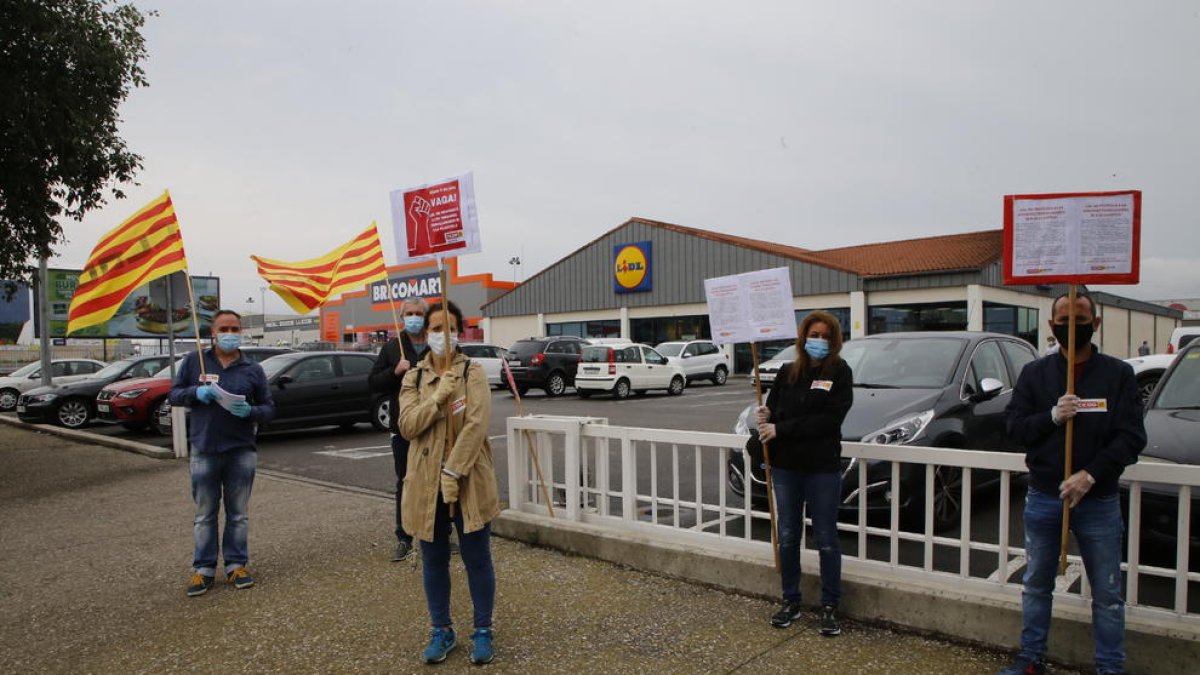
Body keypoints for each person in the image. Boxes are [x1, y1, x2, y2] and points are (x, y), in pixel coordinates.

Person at [1001, 292, 1146, 675]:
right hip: (1045, 495)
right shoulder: (1036, 374)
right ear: (1051, 327)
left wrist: (1090, 474)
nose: (1071, 325)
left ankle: (1110, 667)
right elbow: (1015, 429)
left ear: (1095, 324)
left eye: (1080, 317)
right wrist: (1051, 417)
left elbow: (1131, 437)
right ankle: (1032, 658)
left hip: (1097, 499)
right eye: (1063, 318)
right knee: (1036, 585)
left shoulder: (1118, 375)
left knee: (1108, 594)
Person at [399, 300, 500, 665]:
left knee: (477, 557)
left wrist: (454, 471)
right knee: (434, 559)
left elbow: (476, 424)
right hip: (425, 483)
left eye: (450, 328)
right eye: (436, 328)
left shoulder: (472, 371)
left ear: (460, 331)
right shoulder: (414, 377)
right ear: (426, 334)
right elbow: (408, 425)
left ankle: (483, 630)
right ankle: (442, 629)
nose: (443, 335)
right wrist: (438, 398)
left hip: (467, 478)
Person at [755, 310, 853, 636]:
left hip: (821, 467)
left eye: (826, 336)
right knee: (787, 535)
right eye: (815, 335)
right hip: (786, 468)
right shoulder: (787, 371)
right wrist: (767, 413)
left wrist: (781, 428)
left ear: (834, 340)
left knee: (826, 537)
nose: (819, 341)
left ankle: (830, 606)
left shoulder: (839, 372)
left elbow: (828, 421)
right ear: (803, 337)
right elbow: (777, 409)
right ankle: (790, 600)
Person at [170, 310, 274, 597]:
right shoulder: (194, 361)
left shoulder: (252, 369)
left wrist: (250, 411)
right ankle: (203, 570)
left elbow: (269, 408)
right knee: (205, 514)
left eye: (235, 329)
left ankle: (236, 565)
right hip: (204, 448)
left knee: (238, 514)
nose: (230, 333)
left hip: (240, 450)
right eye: (224, 328)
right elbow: (174, 394)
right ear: (213, 333)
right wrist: (195, 393)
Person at [368, 297, 429, 562]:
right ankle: (404, 537)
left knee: (436, 481)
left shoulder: (438, 345)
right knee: (405, 481)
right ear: (402, 316)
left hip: (433, 425)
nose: (414, 317)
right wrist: (395, 371)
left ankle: (438, 533)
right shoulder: (393, 348)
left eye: (419, 313)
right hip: (402, 427)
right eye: (410, 313)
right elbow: (373, 383)